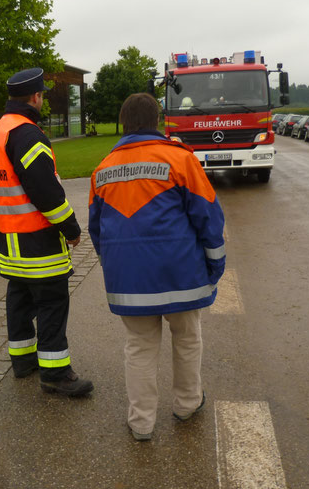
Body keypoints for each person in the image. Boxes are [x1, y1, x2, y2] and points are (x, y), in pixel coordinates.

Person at [88, 93, 226, 440]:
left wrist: (115, 267)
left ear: (123, 124)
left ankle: (141, 423)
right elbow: (208, 217)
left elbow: (96, 230)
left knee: (139, 347)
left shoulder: (102, 169)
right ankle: (187, 404)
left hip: (129, 281)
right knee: (188, 339)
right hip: (182, 274)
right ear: (158, 121)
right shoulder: (179, 160)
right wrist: (215, 266)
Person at [0, 67, 93, 397]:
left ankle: (24, 362)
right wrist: (71, 229)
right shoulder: (28, 135)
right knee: (52, 303)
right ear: (36, 97)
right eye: (43, 94)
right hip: (37, 240)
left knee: (19, 298)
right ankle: (55, 373)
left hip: (7, 239)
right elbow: (47, 194)